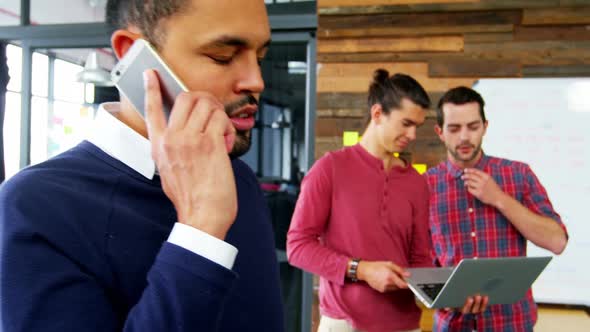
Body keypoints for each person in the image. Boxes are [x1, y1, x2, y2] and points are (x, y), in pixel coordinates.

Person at [0, 1, 285, 331]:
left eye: (260, 57)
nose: (256, 81)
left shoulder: (239, 178)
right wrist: (201, 230)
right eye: (222, 55)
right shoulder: (33, 207)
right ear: (133, 53)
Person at [287, 69, 434, 332]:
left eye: (417, 127)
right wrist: (362, 270)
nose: (413, 135)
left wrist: (447, 295)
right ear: (378, 114)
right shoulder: (330, 168)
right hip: (344, 324)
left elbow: (420, 258)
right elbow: (298, 247)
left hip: (405, 325)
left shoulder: (416, 182)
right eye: (406, 123)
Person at [425, 86, 568, 331]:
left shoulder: (519, 174)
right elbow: (418, 263)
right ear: (440, 132)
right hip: (453, 325)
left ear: (485, 126)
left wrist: (499, 198)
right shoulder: (424, 186)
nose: (464, 137)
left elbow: (557, 241)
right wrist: (449, 301)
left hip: (512, 323)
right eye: (454, 128)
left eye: (473, 126)